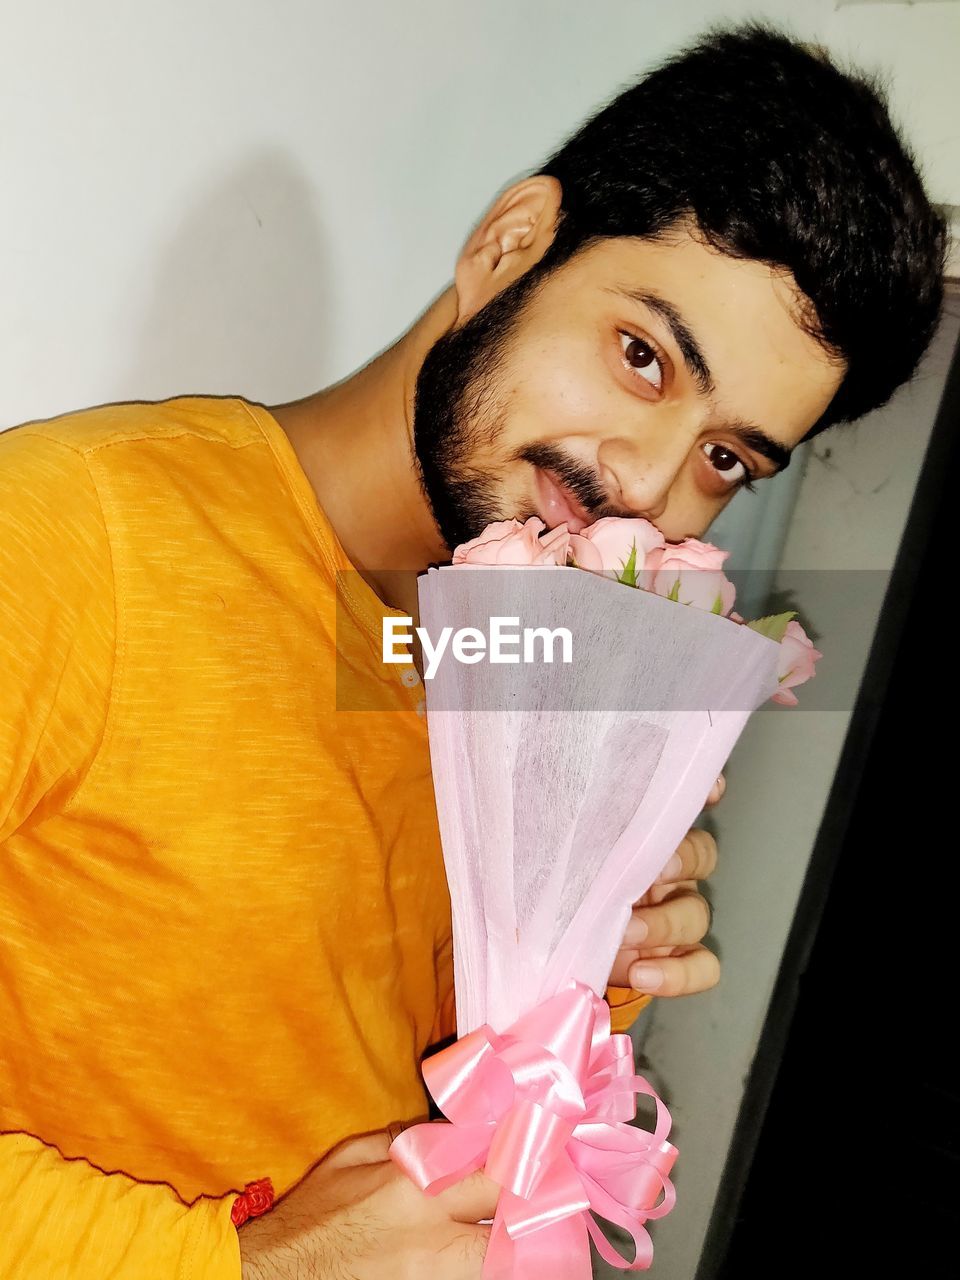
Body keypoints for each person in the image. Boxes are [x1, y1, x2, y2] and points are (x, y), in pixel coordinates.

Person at [0, 22, 945, 1280]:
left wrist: (582, 959)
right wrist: (254, 1264)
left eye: (728, 458)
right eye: (643, 356)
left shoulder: (529, 659)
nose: (647, 489)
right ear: (508, 248)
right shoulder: (74, 542)